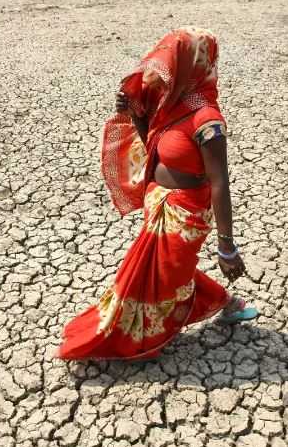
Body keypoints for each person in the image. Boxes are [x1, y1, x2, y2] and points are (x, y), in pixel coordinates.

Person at [57, 27, 257, 361]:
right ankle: (228, 302)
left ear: (190, 66)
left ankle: (135, 338)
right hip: (158, 203)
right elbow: (151, 145)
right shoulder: (170, 106)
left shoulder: (207, 119)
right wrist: (136, 113)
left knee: (164, 273)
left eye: (171, 63)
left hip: (186, 211)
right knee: (165, 270)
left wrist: (226, 247)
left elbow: (220, 182)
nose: (162, 71)